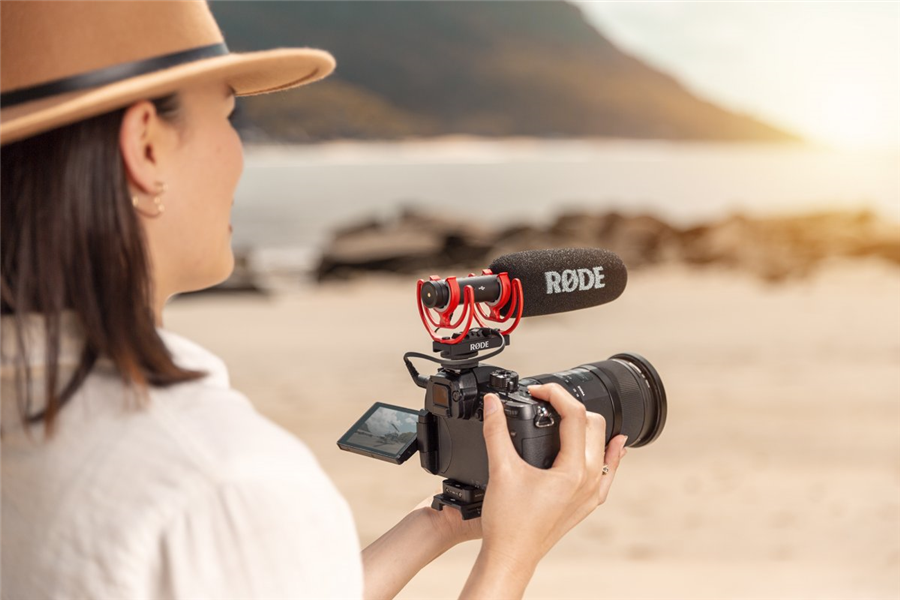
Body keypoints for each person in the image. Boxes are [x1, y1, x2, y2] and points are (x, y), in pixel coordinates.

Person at [0, 2, 629, 598]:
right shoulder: (218, 479)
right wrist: (513, 553)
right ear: (145, 148)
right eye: (228, 118)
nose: (237, 153)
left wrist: (436, 523)